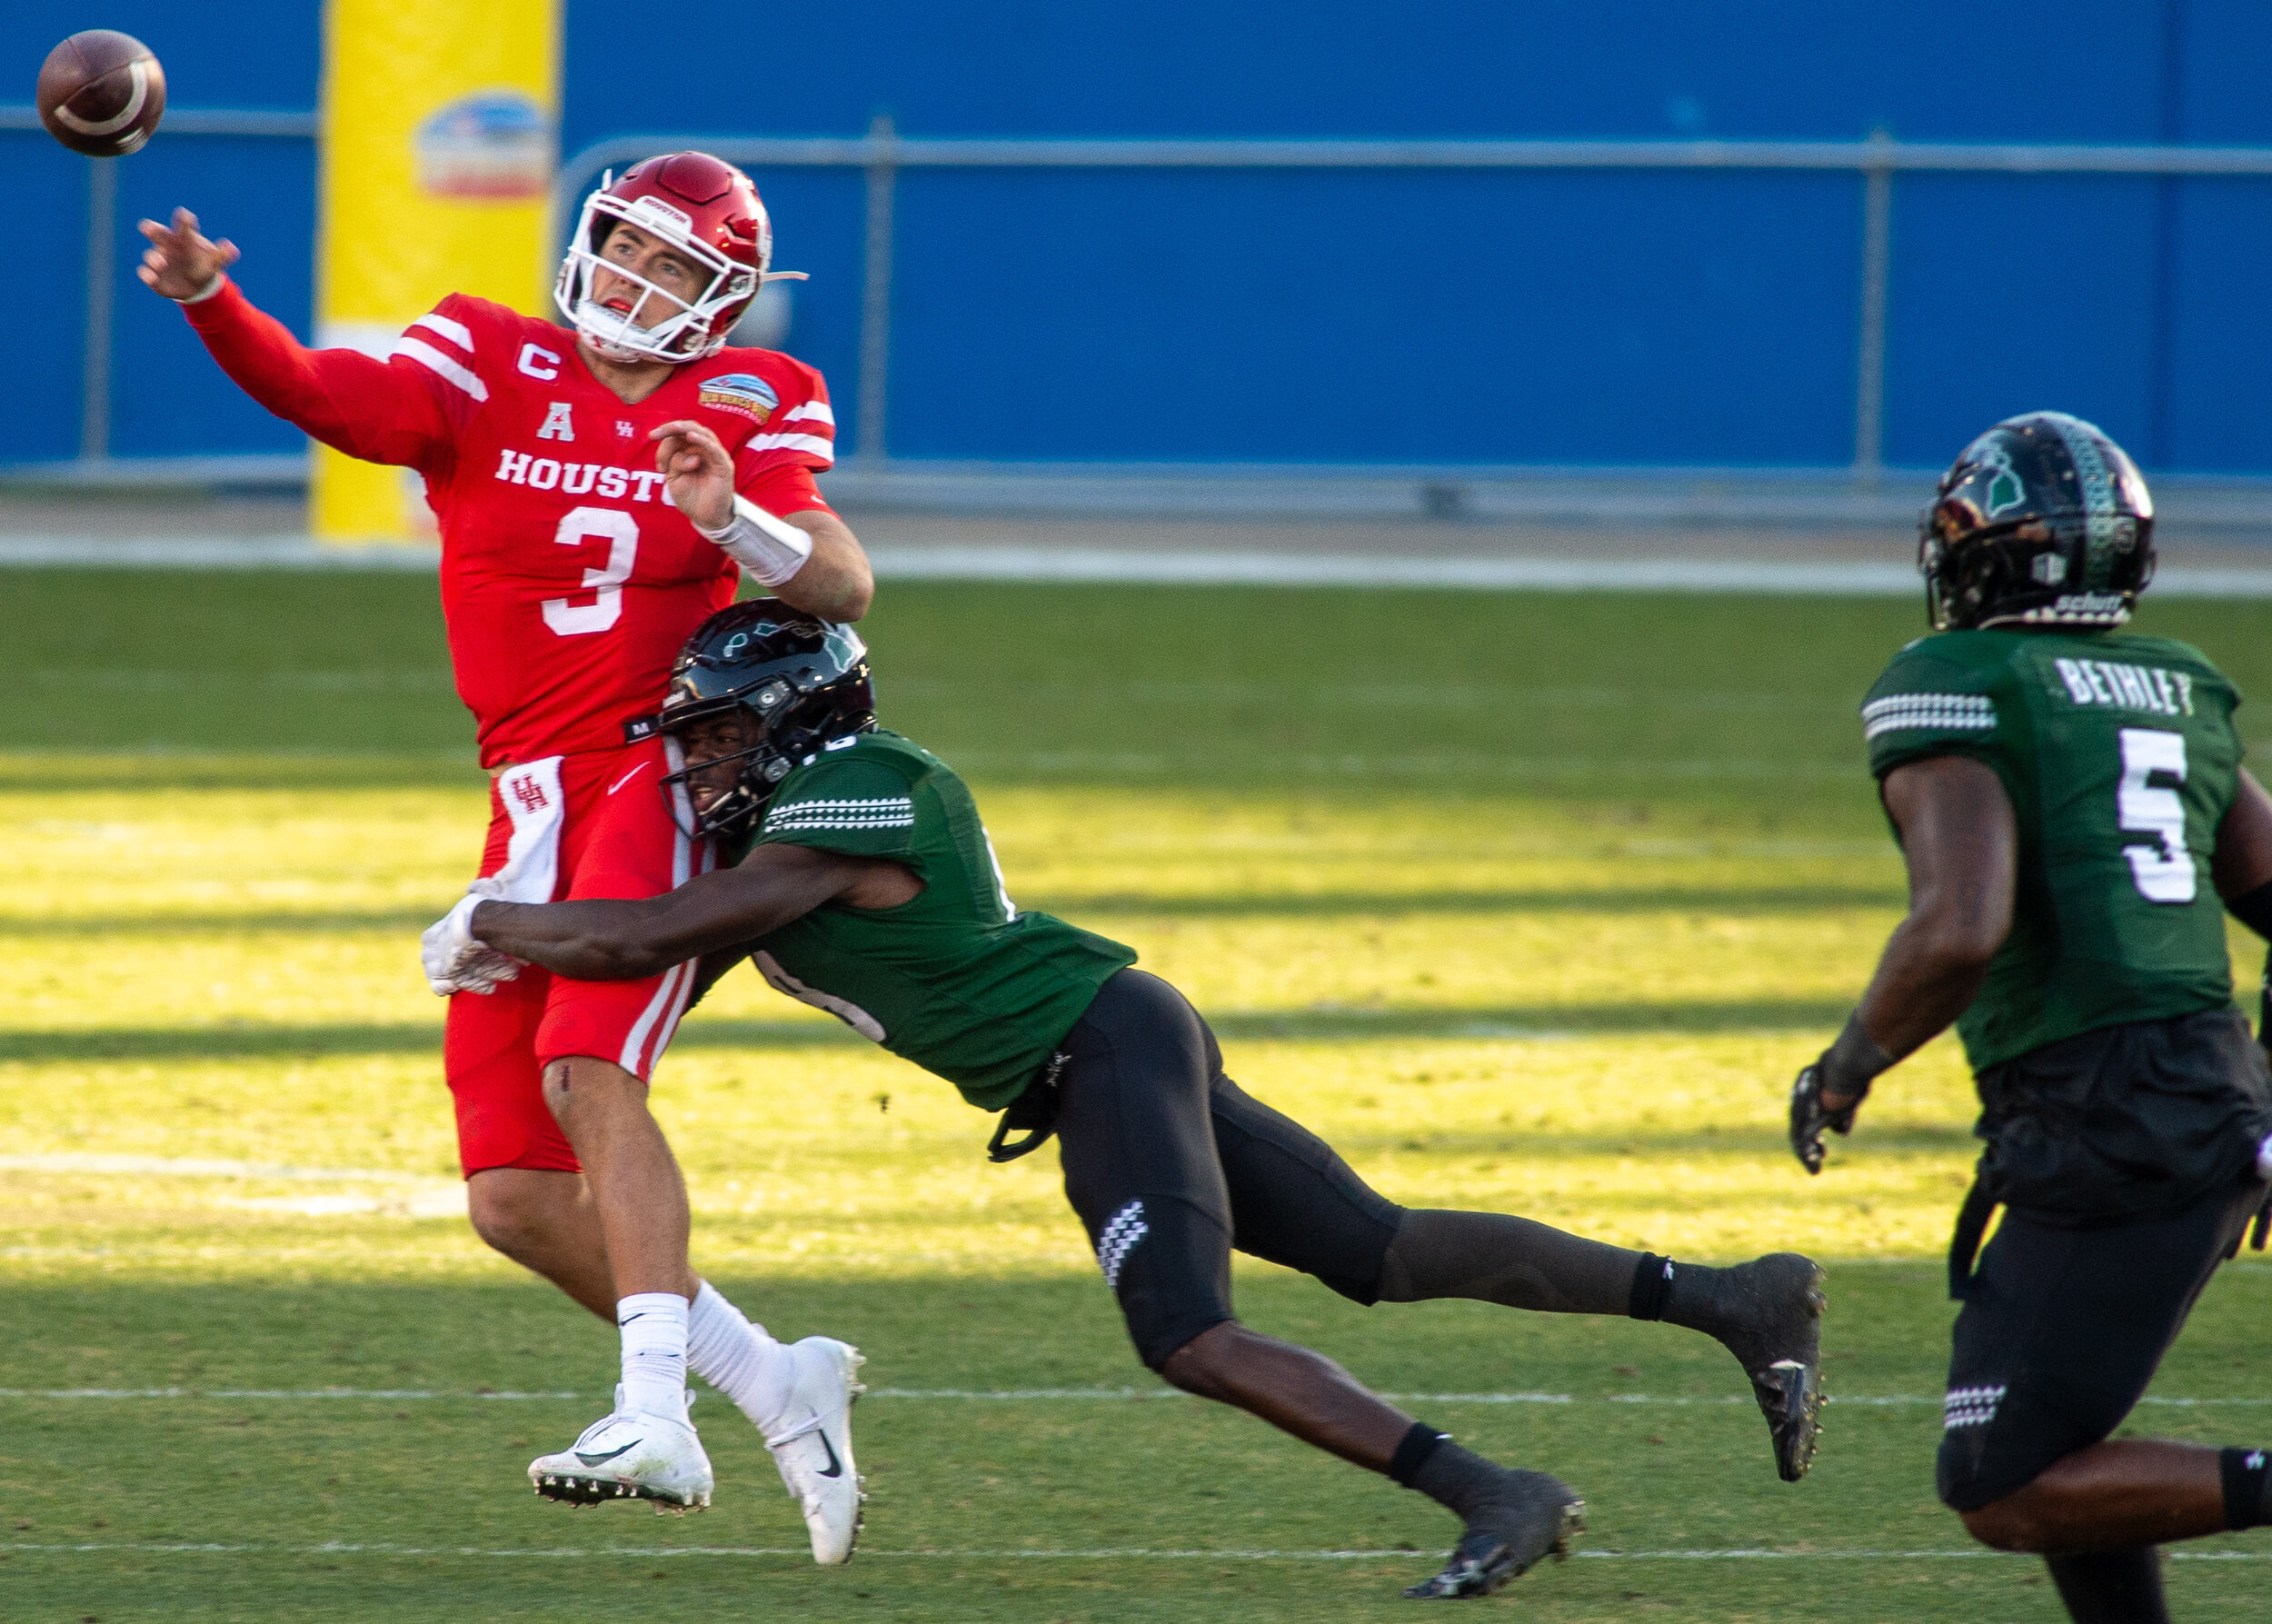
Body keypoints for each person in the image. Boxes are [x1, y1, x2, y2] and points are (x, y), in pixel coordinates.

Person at [441, 598, 1830, 1601]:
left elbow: (640, 938)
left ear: (805, 716)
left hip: (1105, 1049)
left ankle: (1493, 1493)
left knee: (1189, 1334)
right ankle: (1733, 1299)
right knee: (1382, 1250)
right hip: (1107, 1050)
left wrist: (496, 922)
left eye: (728, 732)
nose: (703, 762)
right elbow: (646, 953)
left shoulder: (864, 789)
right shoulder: (796, 822)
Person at [137, 154, 872, 1558]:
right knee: (517, 1196)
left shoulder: (753, 399)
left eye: (664, 263)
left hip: (661, 769)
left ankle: (652, 1409)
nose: (627, 278)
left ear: (718, 294)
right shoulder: (485, 348)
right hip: (528, 795)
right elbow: (331, 400)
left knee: (591, 1061)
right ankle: (778, 1380)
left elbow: (840, 582)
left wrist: (729, 513)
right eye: (618, 245)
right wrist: (216, 303)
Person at [1787, 412, 2272, 1623]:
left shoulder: (1955, 680)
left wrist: (1847, 1066)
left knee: (2003, 1481)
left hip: (2108, 1119)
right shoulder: (2175, 684)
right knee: (2062, 1436)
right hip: (2204, 1101)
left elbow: (1960, 929)